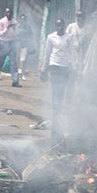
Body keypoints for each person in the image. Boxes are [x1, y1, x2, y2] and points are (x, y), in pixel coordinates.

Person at [41, 18, 74, 146]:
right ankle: (56, 110)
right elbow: (47, 53)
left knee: (62, 90)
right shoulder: (51, 37)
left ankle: (58, 109)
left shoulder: (69, 37)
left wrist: (73, 67)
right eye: (58, 25)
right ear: (55, 26)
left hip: (65, 67)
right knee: (56, 89)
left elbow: (72, 53)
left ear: (64, 26)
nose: (60, 28)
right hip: (54, 66)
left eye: (62, 25)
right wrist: (43, 69)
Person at [0, 7, 21, 86]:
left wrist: (14, 30)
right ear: (5, 13)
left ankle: (15, 81)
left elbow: (17, 33)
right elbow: (0, 33)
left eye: (10, 12)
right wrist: (6, 28)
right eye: (7, 12)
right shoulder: (1, 21)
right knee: (0, 62)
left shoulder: (15, 22)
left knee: (13, 63)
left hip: (12, 43)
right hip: (3, 43)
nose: (9, 14)